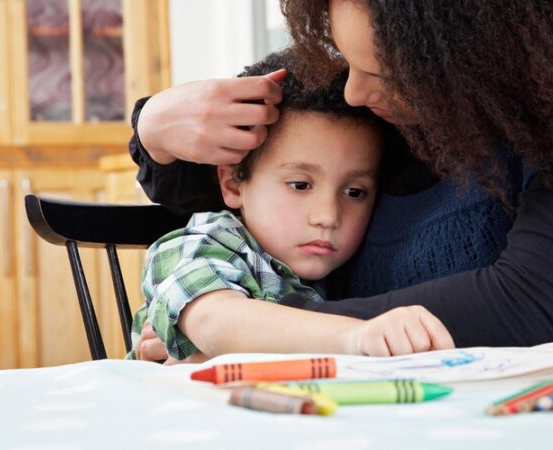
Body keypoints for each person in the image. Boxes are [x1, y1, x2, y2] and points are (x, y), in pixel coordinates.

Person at [130, 0, 553, 361]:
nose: (353, 93)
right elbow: (250, 185)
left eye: (379, 74)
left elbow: (535, 302)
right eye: (347, 61)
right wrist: (151, 129)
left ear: (467, 64)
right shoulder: (391, 114)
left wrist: (261, 333)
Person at [127, 51, 455, 362]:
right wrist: (356, 337)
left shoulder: (343, 270)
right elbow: (217, 322)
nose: (327, 216)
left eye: (354, 192)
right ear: (232, 183)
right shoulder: (205, 243)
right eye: (300, 185)